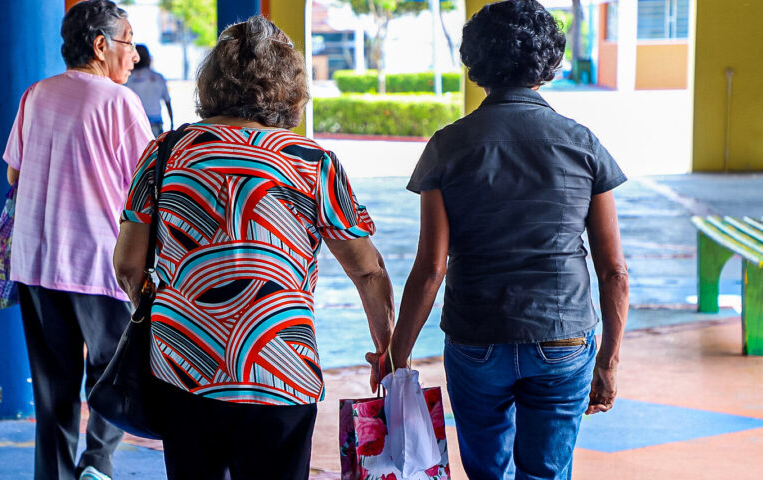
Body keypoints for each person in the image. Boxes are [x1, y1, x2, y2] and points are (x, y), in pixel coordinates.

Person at [113, 15, 394, 480]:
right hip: (281, 371)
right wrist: (386, 348)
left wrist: (172, 312)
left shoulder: (165, 150)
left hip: (184, 366)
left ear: (212, 81)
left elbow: (127, 263)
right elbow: (368, 271)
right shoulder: (313, 162)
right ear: (290, 86)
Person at [382, 1, 629, 479]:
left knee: (486, 470)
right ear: (549, 62)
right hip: (564, 337)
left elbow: (431, 268)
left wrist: (397, 354)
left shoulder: (447, 145)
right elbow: (613, 270)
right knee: (546, 471)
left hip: (477, 338)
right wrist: (609, 361)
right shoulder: (582, 144)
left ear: (476, 64)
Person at [3, 1, 153, 479]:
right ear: (100, 44)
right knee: (115, 374)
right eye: (127, 41)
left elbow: (13, 172)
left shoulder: (36, 95)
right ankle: (97, 464)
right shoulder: (119, 103)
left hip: (35, 263)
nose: (133, 55)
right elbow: (147, 187)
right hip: (97, 264)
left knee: (53, 392)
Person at [125, 44, 174, 136]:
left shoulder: (127, 78)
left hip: (135, 123)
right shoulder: (158, 77)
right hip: (155, 122)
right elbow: (167, 101)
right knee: (155, 150)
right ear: (148, 59)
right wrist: (172, 122)